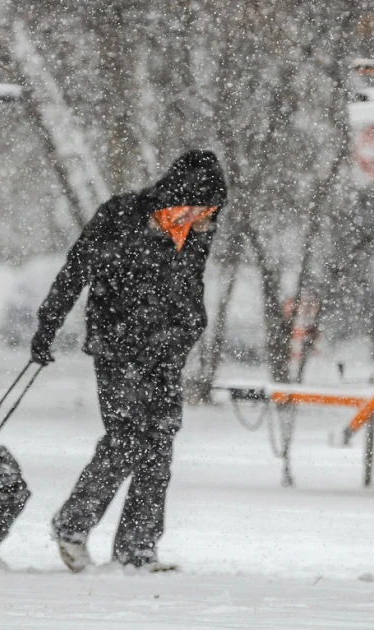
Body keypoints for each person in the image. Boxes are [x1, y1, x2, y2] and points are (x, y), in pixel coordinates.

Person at [30, 150, 227, 572]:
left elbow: (190, 287)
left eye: (212, 213)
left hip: (166, 351)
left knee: (159, 445)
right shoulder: (121, 215)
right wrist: (49, 324)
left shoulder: (195, 232)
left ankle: (137, 552)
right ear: (181, 197)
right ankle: (72, 526)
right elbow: (76, 269)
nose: (208, 221)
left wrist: (190, 326)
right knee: (127, 439)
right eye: (204, 209)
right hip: (119, 347)